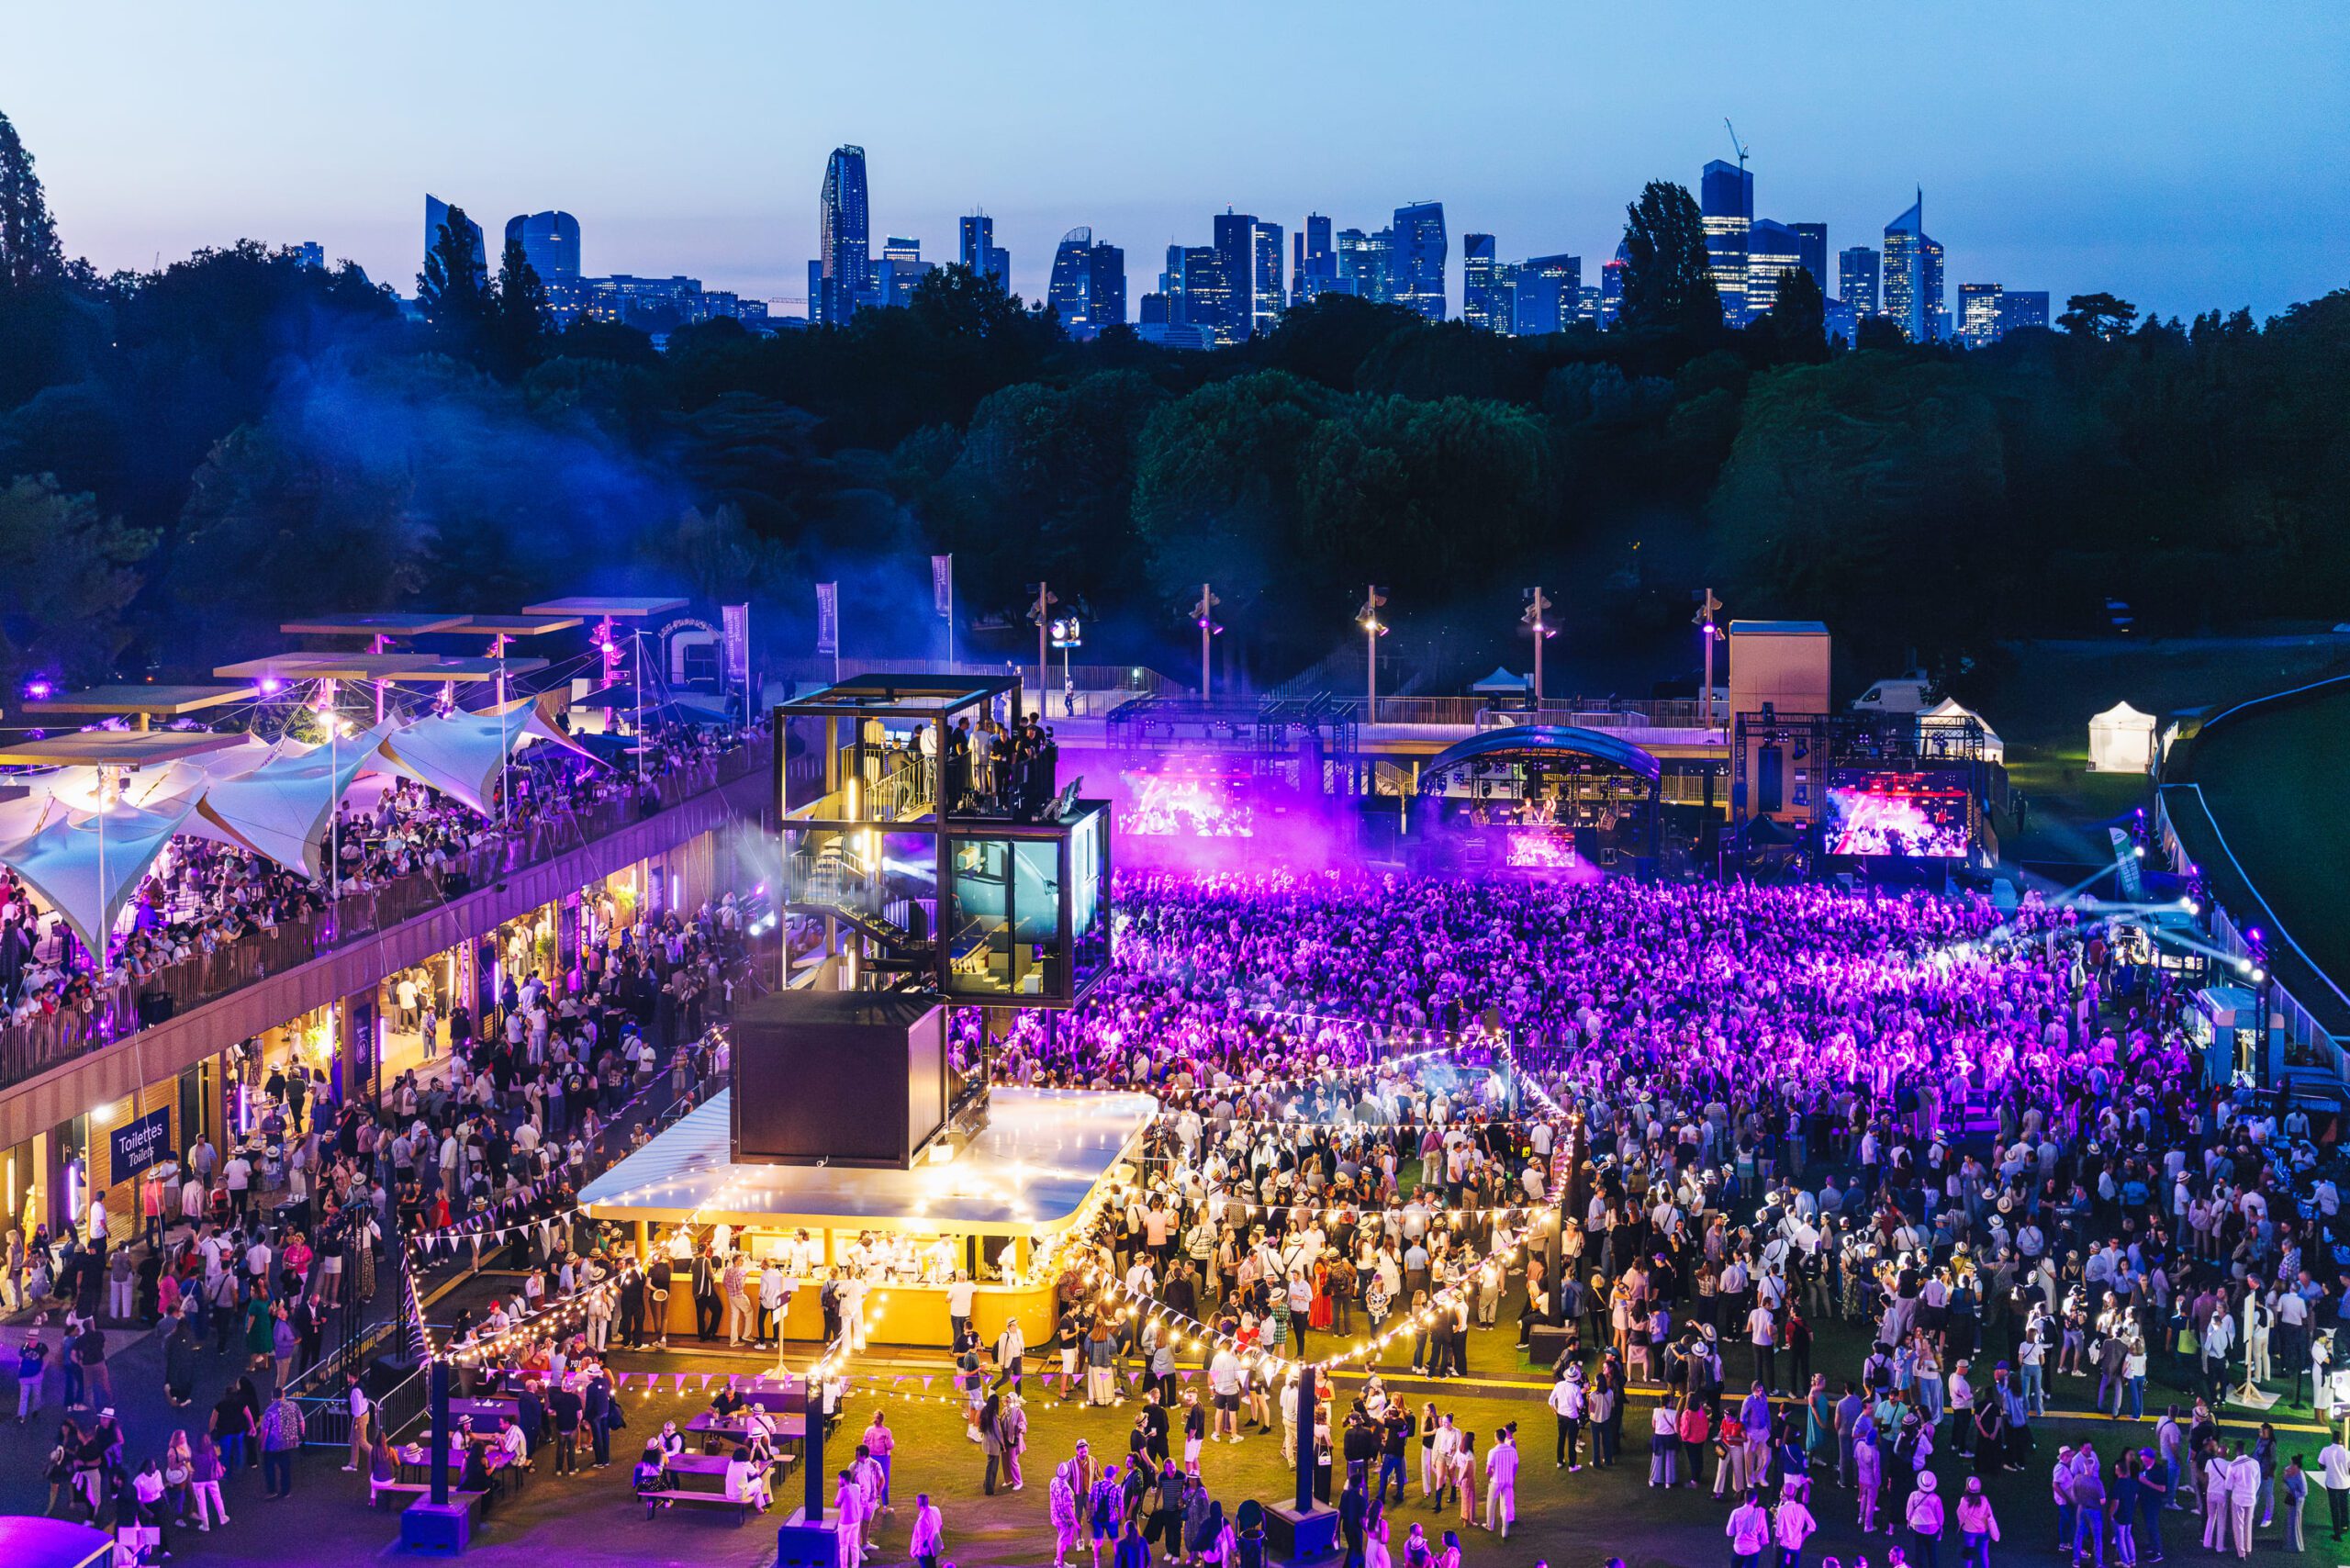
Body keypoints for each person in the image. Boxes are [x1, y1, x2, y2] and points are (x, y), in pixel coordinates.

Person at [258, 1386, 305, 1498]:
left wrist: (262, 1445)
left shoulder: (270, 1410)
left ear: (273, 1397)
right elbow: (301, 1421)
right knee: (285, 1468)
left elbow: (265, 1430)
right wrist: (302, 1433)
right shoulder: (294, 1406)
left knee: (269, 1467)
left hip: (273, 1444)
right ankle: (285, 1491)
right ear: (283, 1395)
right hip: (289, 1443)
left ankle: (272, 1491)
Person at [1904, 1469, 1943, 1568]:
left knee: (1919, 1552)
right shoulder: (1935, 1498)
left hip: (1917, 1526)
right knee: (1932, 1552)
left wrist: (1908, 1520)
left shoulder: (1914, 1495)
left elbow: (1909, 1509)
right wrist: (1941, 1526)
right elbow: (1939, 1515)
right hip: (1932, 1527)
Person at [1728, 1487, 1773, 1568]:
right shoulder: (1759, 1515)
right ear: (1755, 1500)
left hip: (1739, 1549)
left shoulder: (1736, 1512)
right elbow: (1765, 1535)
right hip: (1753, 1550)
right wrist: (1762, 1542)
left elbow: (1729, 1532)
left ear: (1745, 1498)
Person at [909, 1492, 946, 1568]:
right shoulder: (935, 1509)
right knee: (933, 1564)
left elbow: (922, 1540)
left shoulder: (922, 1520)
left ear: (918, 1504)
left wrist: (919, 1552)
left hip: (928, 1552)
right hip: (936, 1544)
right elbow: (941, 1525)